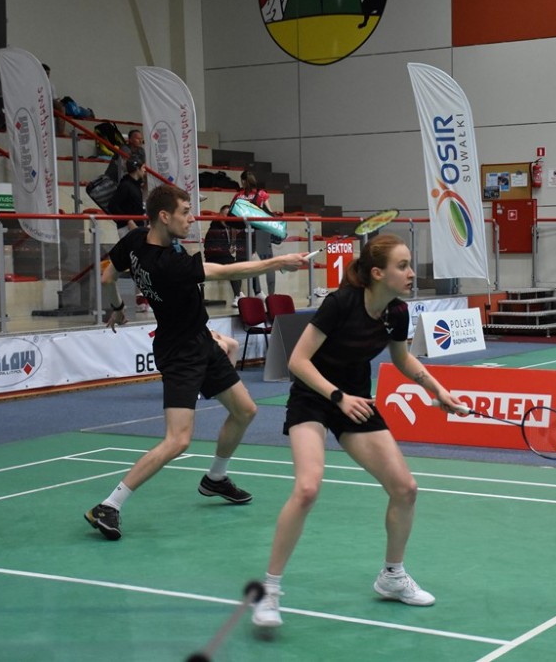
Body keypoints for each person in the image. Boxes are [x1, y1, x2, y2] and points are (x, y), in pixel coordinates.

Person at [251, 233, 465, 628]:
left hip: (356, 401)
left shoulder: (397, 312)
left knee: (405, 489)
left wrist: (437, 390)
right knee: (307, 488)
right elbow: (297, 361)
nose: (411, 273)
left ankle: (392, 577)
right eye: (402, 266)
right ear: (378, 273)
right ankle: (270, 590)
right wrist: (337, 397)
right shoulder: (341, 304)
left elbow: (402, 359)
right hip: (315, 397)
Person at [84, 184, 308, 540]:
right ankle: (109, 505)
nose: (192, 218)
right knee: (178, 440)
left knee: (245, 410)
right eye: (185, 212)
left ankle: (215, 478)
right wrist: (279, 261)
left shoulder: (135, 240)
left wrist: (117, 307)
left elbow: (107, 275)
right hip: (180, 352)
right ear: (164, 216)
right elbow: (227, 272)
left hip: (200, 340)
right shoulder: (169, 265)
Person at [232, 171, 276, 299]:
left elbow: (232, 213)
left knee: (242, 263)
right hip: (261, 233)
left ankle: (239, 294)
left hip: (244, 232)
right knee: (268, 264)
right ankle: (271, 295)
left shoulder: (239, 196)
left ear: (243, 181)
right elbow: (270, 214)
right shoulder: (262, 194)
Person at [203, 205, 247, 304]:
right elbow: (212, 249)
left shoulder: (229, 228)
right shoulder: (214, 229)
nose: (227, 217)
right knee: (233, 267)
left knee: (240, 264)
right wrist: (227, 250)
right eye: (225, 214)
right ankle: (238, 295)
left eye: (229, 215)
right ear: (220, 215)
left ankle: (240, 293)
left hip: (226, 256)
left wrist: (232, 249)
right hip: (214, 258)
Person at [107, 157, 146, 237]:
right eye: (143, 167)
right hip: (127, 228)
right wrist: (129, 221)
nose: (144, 170)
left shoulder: (135, 185)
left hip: (136, 226)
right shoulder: (125, 185)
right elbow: (112, 205)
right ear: (137, 169)